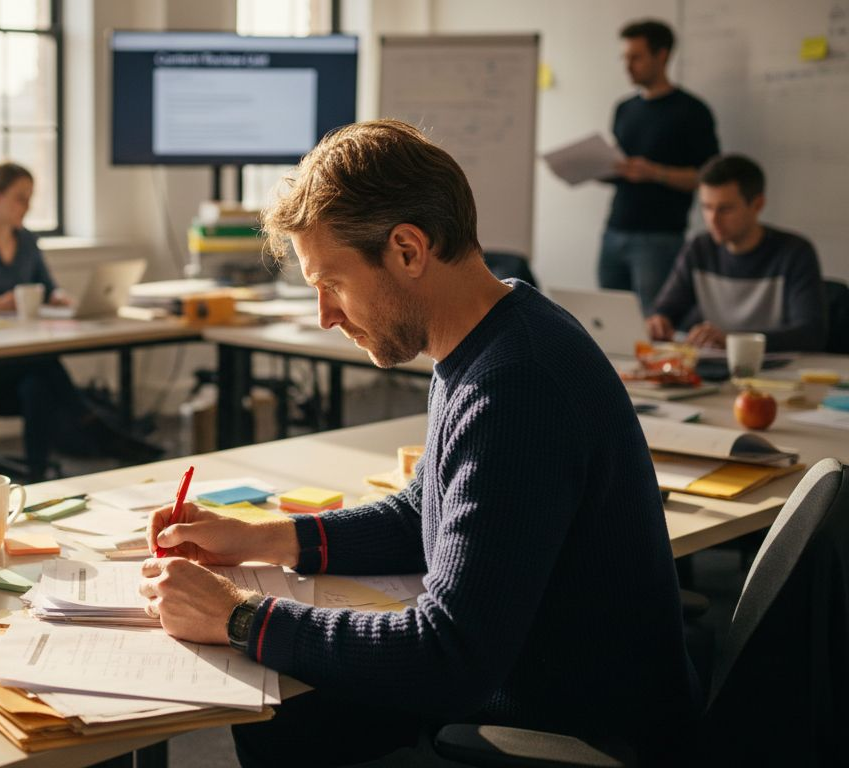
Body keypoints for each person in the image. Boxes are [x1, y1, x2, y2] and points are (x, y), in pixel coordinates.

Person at [138, 120, 700, 766]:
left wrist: (239, 616)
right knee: (288, 718)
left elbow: (448, 656)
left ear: (407, 251)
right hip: (531, 688)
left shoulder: (516, 388)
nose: (325, 315)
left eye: (333, 284)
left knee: (290, 706)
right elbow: (419, 513)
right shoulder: (496, 333)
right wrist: (261, 538)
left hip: (576, 734)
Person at [0, 162, 160, 480]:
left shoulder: (27, 243)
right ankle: (101, 430)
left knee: (38, 382)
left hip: (19, 357)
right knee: (43, 366)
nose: (27, 206)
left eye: (30, 198)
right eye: (20, 197)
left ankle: (38, 475)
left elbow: (47, 288)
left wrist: (59, 297)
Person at [648, 154, 827, 352]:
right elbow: (666, 309)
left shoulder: (794, 253)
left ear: (757, 205)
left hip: (777, 371)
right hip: (714, 370)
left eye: (725, 209)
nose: (713, 220)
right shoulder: (699, 249)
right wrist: (659, 320)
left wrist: (732, 341)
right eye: (706, 207)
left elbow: (810, 334)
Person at [600, 19, 719, 312]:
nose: (628, 66)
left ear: (662, 55)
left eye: (636, 57)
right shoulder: (624, 108)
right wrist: (600, 168)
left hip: (659, 237)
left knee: (654, 321)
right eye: (625, 57)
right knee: (607, 319)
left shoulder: (691, 111)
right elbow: (621, 167)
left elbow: (709, 178)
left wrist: (655, 172)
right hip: (614, 229)